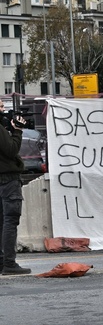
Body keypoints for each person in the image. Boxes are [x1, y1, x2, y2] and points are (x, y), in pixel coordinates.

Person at [0, 109, 30, 275]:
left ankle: (2, 262)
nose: (4, 109)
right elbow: (11, 150)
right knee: (10, 221)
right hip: (7, 179)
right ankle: (9, 263)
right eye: (1, 106)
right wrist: (17, 131)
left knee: (2, 222)